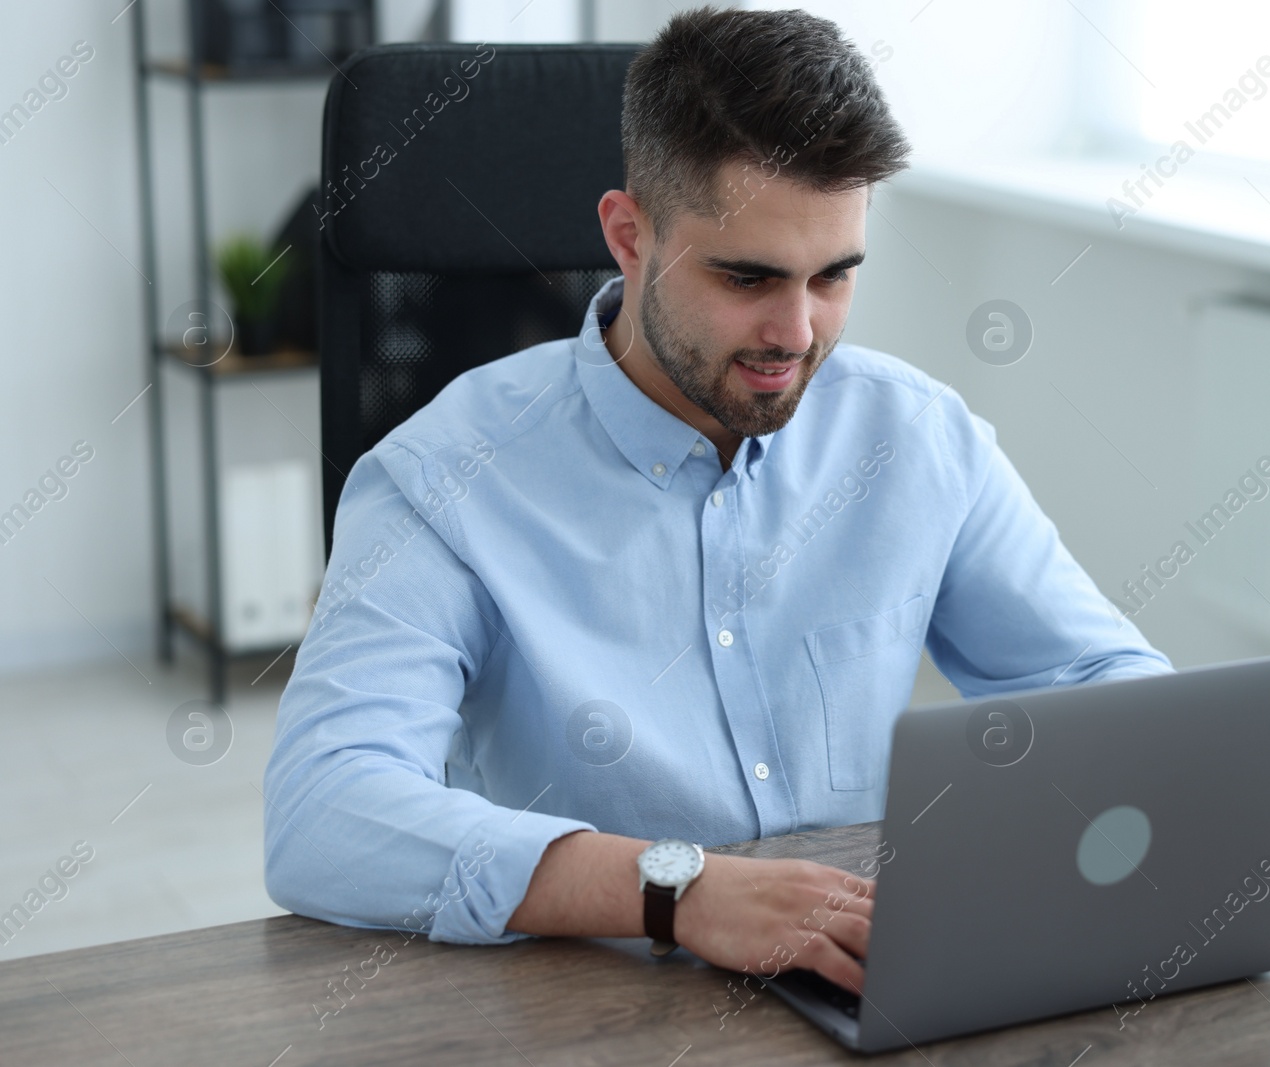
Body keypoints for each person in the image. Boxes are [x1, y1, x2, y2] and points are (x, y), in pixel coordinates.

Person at [264, 5, 1170, 997]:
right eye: (748, 277)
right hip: (590, 999)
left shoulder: (915, 439)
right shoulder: (443, 475)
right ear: (627, 236)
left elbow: (1098, 677)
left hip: (858, 974)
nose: (797, 331)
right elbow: (325, 809)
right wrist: (677, 889)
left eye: (835, 275)